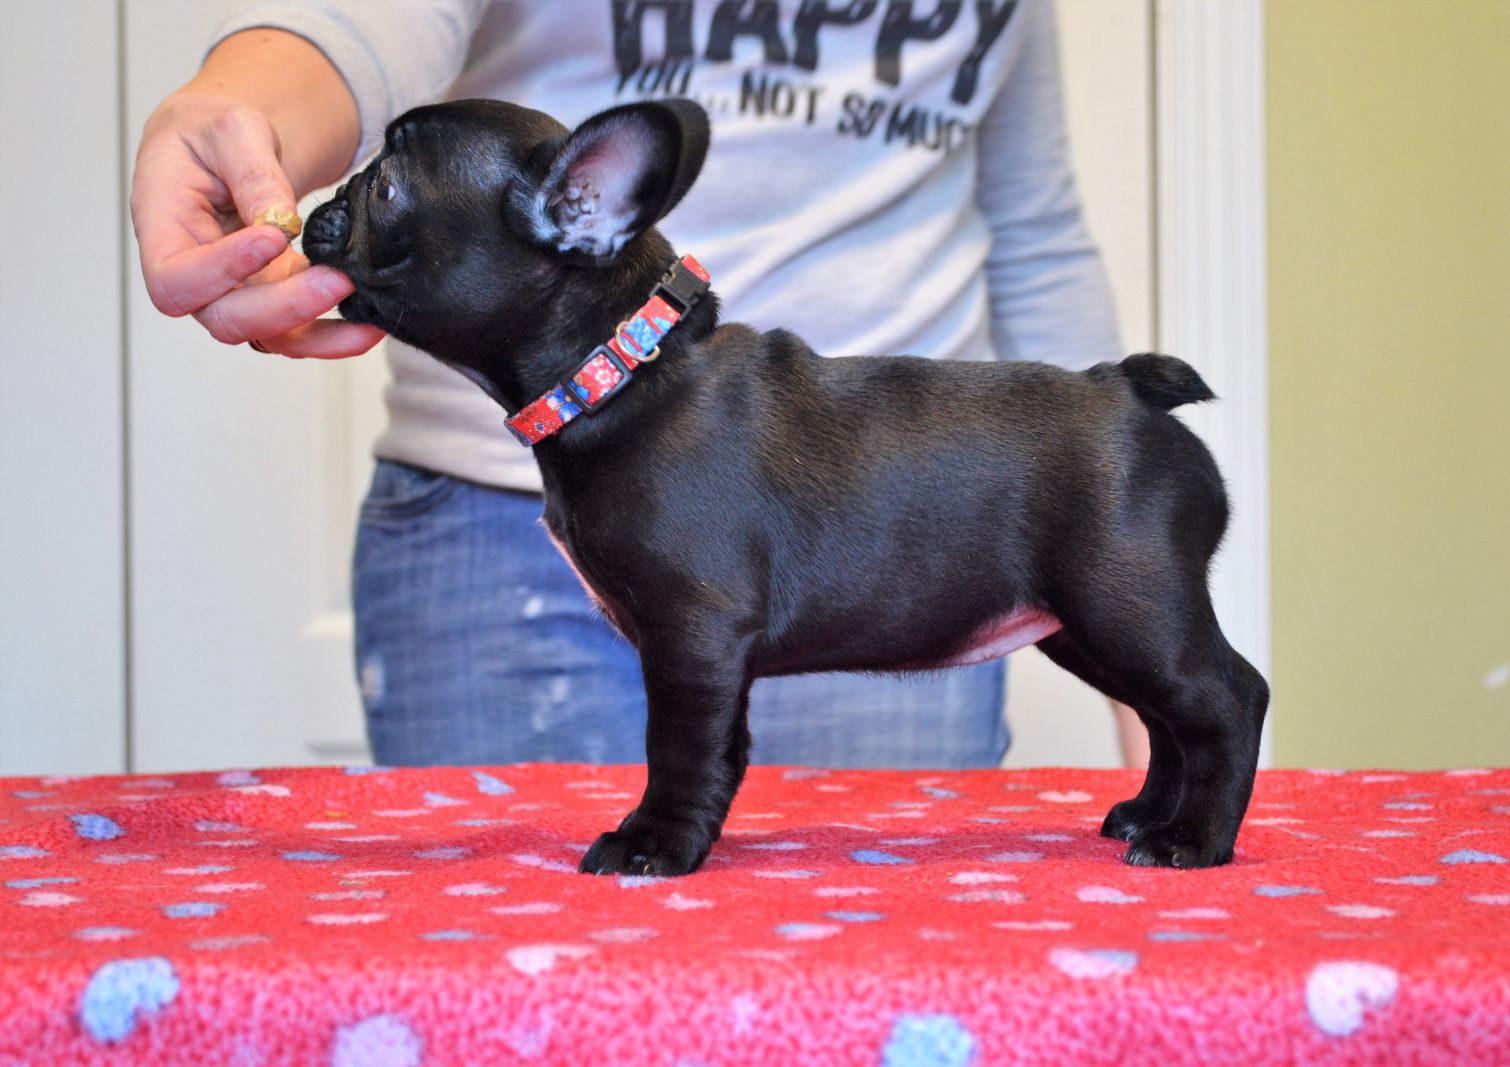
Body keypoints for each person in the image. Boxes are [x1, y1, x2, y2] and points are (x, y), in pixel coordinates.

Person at [132, 0, 1150, 771]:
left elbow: (1034, 234)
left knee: (865, 967)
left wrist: (1137, 632)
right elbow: (361, 24)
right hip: (502, 512)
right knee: (507, 967)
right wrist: (242, 111)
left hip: (887, 520)